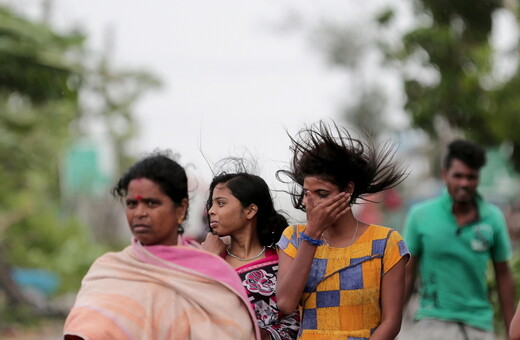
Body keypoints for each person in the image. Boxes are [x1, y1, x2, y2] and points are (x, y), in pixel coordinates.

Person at [63, 152, 260, 340]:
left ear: (181, 208)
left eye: (151, 203)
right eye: (132, 204)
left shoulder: (210, 273)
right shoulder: (108, 271)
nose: (139, 213)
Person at [275, 121, 410, 340]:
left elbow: (392, 322)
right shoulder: (294, 238)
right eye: (307, 193)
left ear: (348, 190)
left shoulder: (386, 242)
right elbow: (286, 303)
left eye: (323, 193)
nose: (312, 202)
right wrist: (312, 235)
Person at [403, 139, 515, 340]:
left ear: (479, 178)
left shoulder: (493, 218)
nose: (464, 183)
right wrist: (391, 324)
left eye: (471, 177)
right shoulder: (420, 216)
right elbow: (407, 275)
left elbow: (504, 275)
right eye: (458, 176)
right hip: (432, 322)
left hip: (479, 325)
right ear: (444, 175)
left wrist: (511, 332)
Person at [202, 172, 300, 340]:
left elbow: (295, 323)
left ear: (250, 210)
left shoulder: (283, 259)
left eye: (220, 203)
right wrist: (209, 262)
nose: (211, 211)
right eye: (212, 204)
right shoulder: (210, 259)